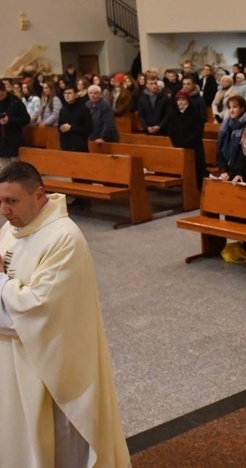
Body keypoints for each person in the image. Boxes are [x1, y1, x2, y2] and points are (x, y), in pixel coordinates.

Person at [0, 161, 130, 467]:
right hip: (15, 359)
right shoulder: (12, 228)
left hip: (54, 366)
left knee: (58, 444)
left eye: (12, 201)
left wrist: (2, 282)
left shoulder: (64, 239)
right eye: (1, 201)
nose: (5, 210)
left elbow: (39, 310)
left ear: (40, 195)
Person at [168, 90, 207, 190]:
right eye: (178, 100)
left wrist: (186, 143)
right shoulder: (173, 113)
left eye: (183, 100)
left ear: (188, 101)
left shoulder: (194, 113)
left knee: (197, 171)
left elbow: (197, 131)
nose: (180, 102)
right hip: (179, 146)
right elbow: (171, 130)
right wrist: (177, 143)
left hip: (194, 147)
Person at [0, 81, 31, 167]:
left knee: (16, 170)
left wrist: (9, 120)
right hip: (1, 144)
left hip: (13, 141)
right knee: (4, 172)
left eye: (1, 94)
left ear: (4, 90)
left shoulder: (16, 102)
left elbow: (26, 119)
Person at [58, 86, 93, 152]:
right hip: (65, 145)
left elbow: (88, 129)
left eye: (69, 93)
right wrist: (61, 128)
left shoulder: (84, 109)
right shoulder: (63, 110)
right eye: (65, 93)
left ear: (76, 95)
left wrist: (71, 127)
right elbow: (59, 125)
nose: (67, 95)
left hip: (79, 146)